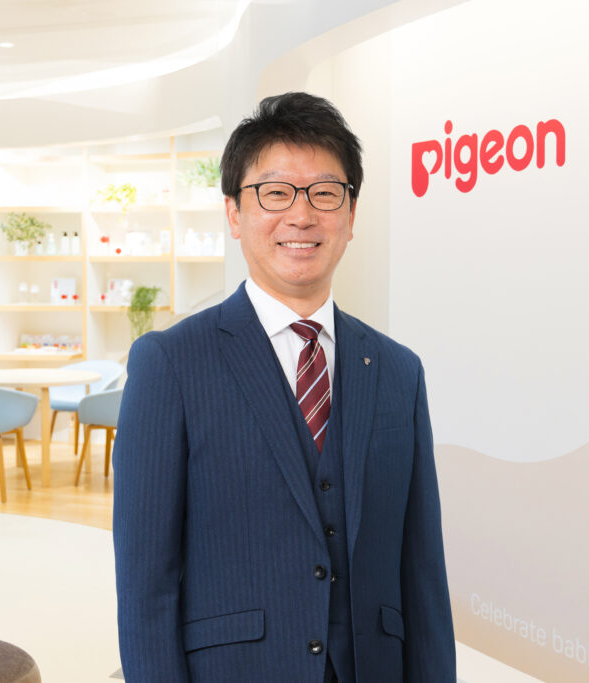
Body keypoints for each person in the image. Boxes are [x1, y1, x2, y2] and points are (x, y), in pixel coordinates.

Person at [112, 92, 455, 682]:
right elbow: (146, 586)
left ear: (351, 215)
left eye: (325, 193)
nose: (302, 215)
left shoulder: (400, 371)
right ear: (233, 213)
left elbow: (422, 575)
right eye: (275, 193)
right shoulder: (170, 363)